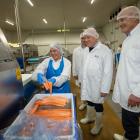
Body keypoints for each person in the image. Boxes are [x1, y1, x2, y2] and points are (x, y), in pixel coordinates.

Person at [113, 6, 140, 140]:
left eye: (123, 19)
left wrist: (137, 93)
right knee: (129, 121)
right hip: (128, 91)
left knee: (130, 123)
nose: (120, 24)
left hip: (134, 93)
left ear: (134, 18)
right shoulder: (128, 39)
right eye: (119, 21)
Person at [80, 27, 113, 135]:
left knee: (98, 104)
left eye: (88, 37)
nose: (85, 40)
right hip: (88, 82)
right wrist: (81, 80)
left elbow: (108, 72)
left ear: (95, 37)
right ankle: (90, 117)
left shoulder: (104, 50)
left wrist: (105, 88)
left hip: (98, 85)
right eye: (84, 38)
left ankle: (98, 125)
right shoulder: (86, 50)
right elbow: (84, 67)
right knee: (89, 100)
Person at [72, 32, 87, 110]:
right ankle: (84, 103)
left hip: (89, 74)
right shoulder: (76, 50)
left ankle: (90, 104)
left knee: (89, 89)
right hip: (79, 73)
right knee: (82, 89)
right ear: (80, 39)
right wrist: (74, 73)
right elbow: (74, 62)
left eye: (85, 38)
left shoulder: (90, 49)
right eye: (82, 38)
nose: (84, 40)